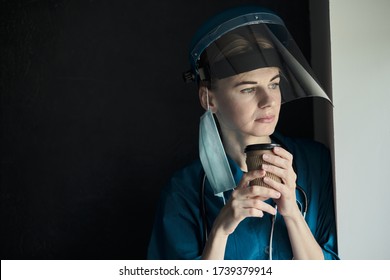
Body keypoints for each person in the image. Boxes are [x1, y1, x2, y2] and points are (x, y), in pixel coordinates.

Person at [147, 5, 339, 260]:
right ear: (208, 99)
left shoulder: (316, 164)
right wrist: (220, 231)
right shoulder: (184, 192)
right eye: (248, 89)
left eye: (274, 84)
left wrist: (292, 212)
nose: (268, 101)